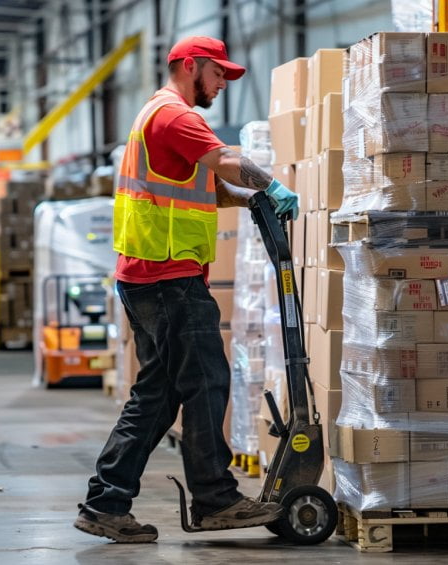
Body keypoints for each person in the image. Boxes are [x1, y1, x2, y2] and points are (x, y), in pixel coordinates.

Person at [74, 35, 299, 543]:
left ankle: (105, 503)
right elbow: (223, 161)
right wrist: (273, 186)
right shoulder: (176, 116)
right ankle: (215, 498)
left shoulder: (158, 115)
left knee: (158, 395)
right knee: (205, 380)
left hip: (148, 276)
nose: (221, 84)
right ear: (190, 65)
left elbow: (208, 183)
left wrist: (247, 199)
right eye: (218, 73)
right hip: (168, 277)